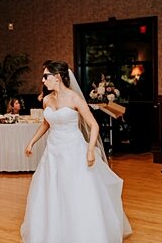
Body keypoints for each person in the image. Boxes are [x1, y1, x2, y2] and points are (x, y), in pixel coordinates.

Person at [20, 61, 132, 242]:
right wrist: (31, 142)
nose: (43, 80)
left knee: (76, 191)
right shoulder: (47, 100)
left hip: (73, 150)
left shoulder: (75, 99)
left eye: (45, 76)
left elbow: (94, 125)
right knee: (52, 190)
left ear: (57, 77)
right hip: (53, 152)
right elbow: (46, 124)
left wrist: (89, 151)